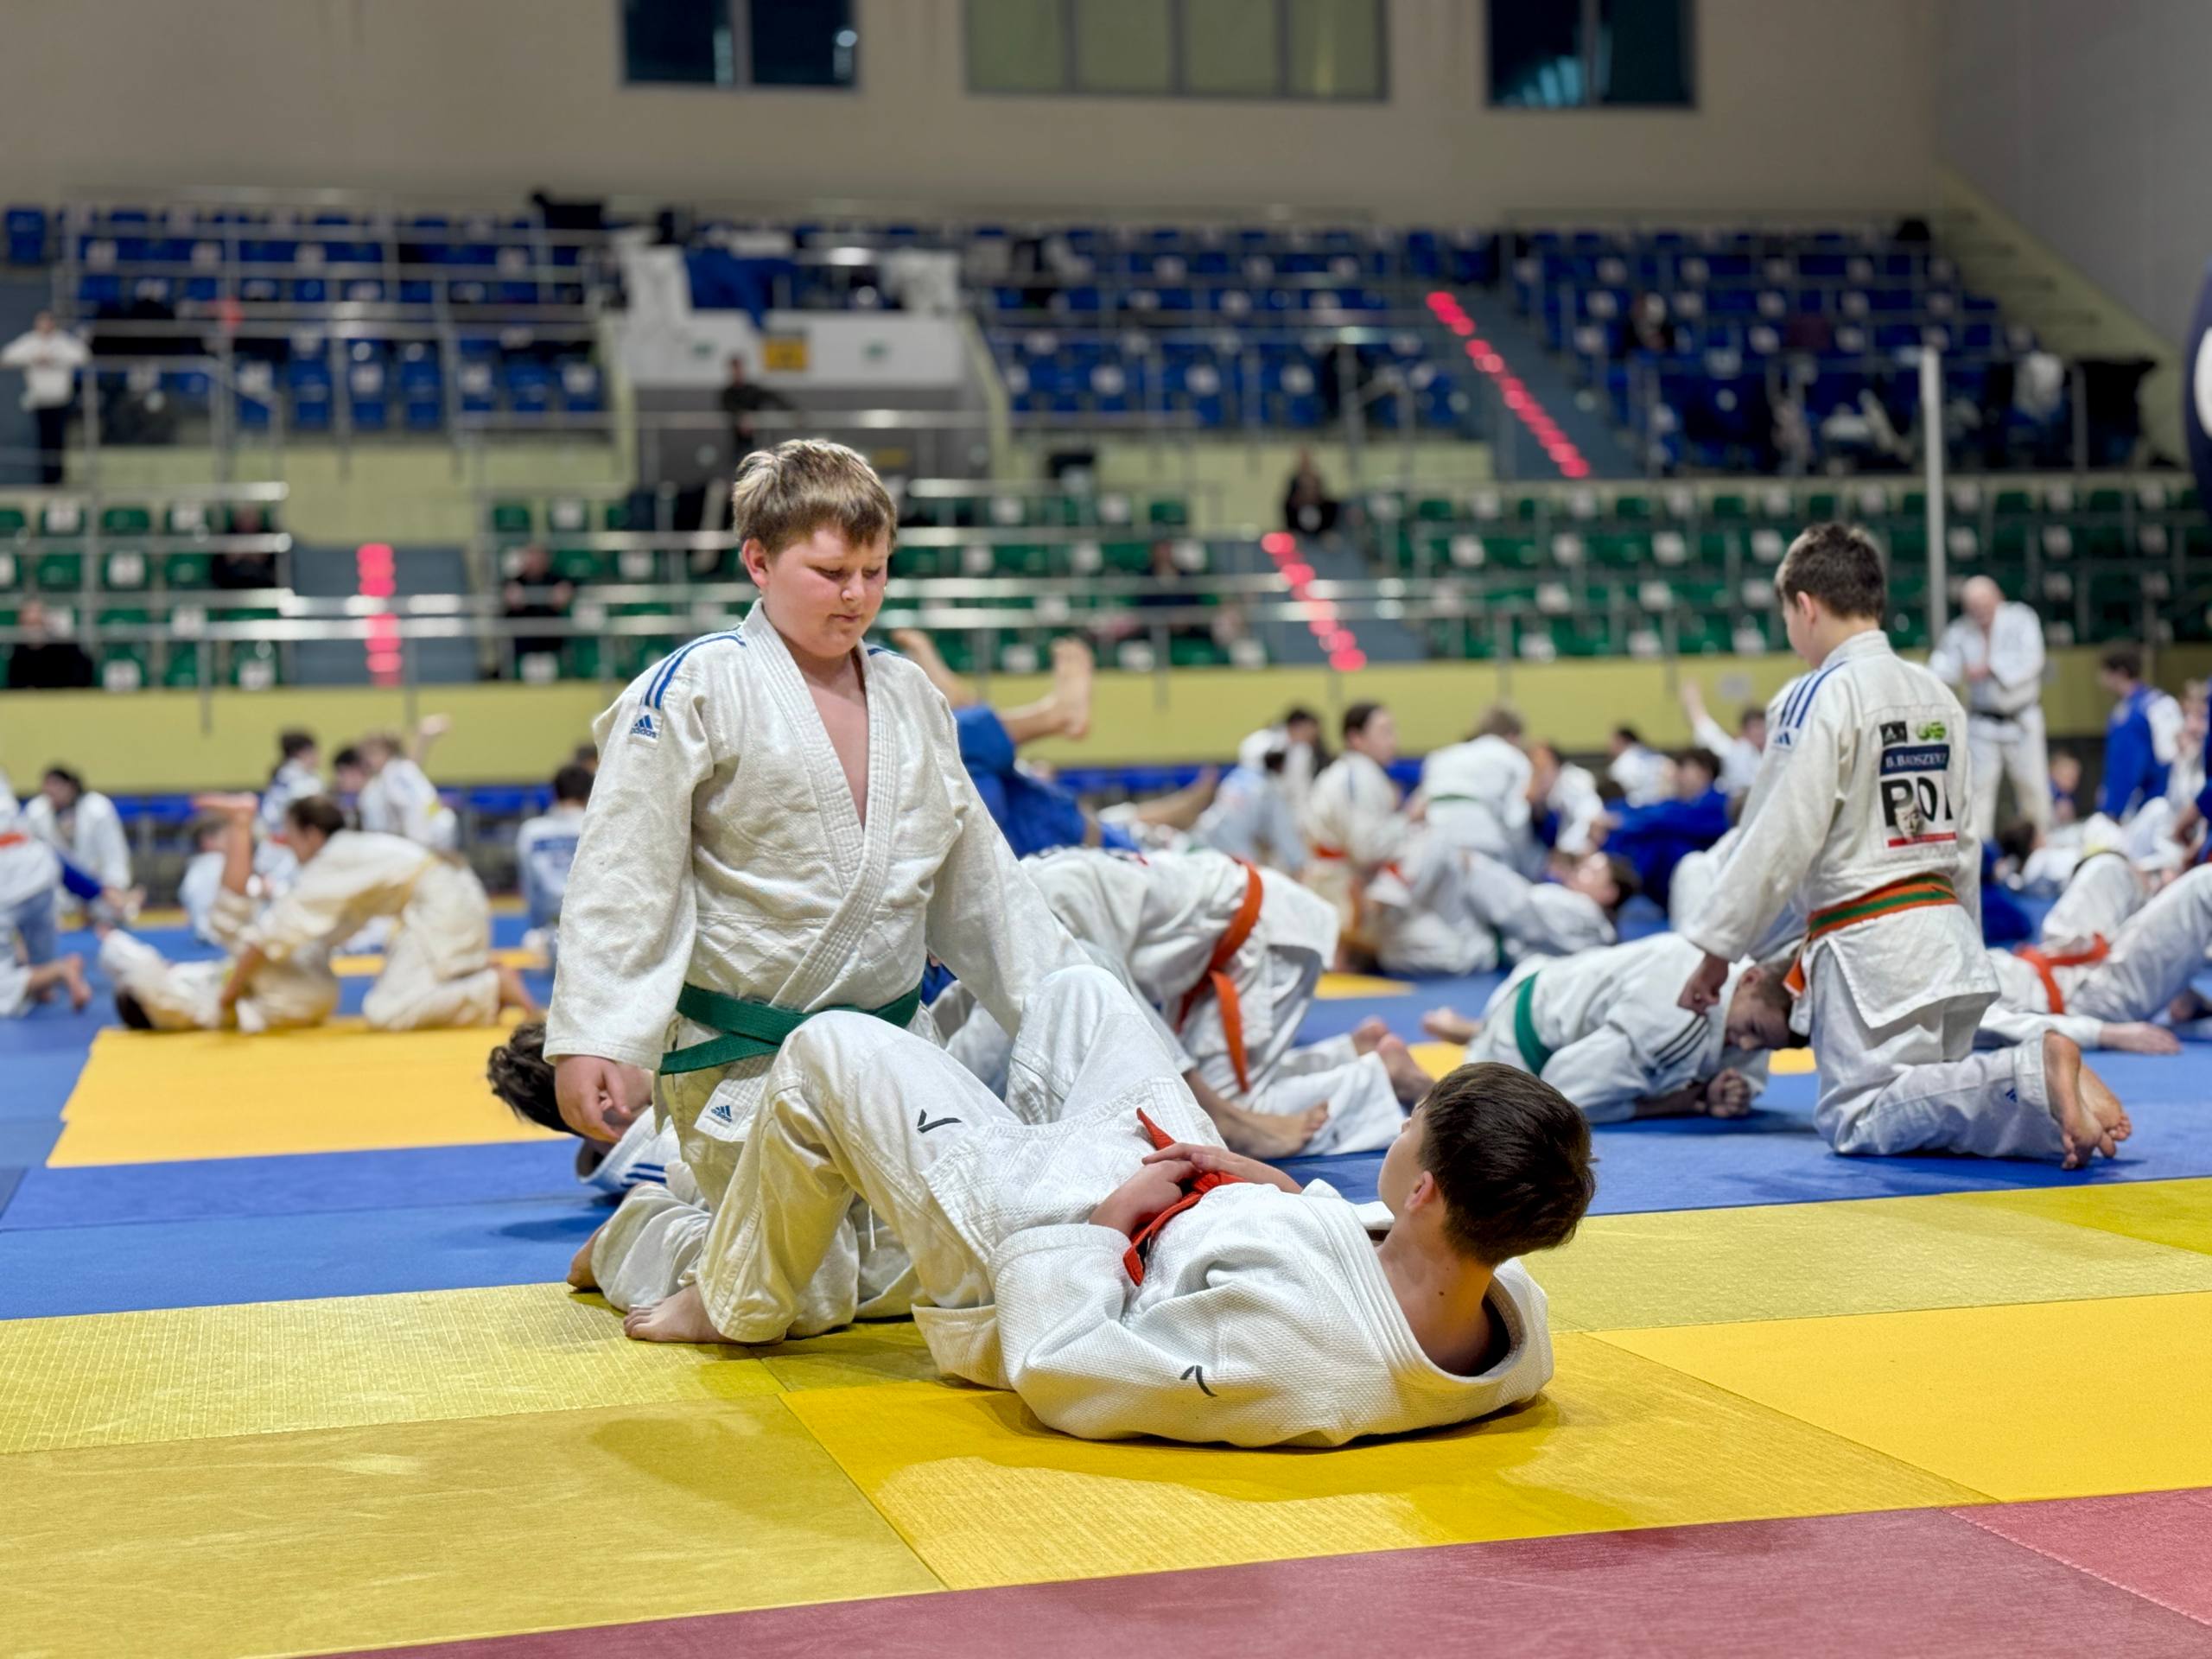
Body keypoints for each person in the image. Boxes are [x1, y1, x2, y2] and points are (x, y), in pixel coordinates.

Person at [542, 438, 1089, 1339]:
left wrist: (1068, 1019)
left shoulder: (912, 696)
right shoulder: (694, 687)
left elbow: (983, 887)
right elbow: (625, 872)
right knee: (802, 1298)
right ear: (758, 562)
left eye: (875, 571)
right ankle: (645, 1238)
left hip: (890, 1052)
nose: (856, 596)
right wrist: (597, 1034)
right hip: (743, 1057)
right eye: (831, 572)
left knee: (972, 1263)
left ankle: (702, 1228)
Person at [589, 963, 1590, 1450]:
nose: (1402, 1124)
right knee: (1083, 993)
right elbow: (1349, 1254)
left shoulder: (1289, 1361)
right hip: (1184, 1185)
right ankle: (960, 1161)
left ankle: (737, 1300)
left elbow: (1064, 1369)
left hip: (1059, 1233)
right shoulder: (1501, 1309)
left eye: (1414, 1122)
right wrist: (1263, 1180)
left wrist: (1107, 1222)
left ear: (1422, 1190)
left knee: (829, 1048)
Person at [1675, 523, 2128, 1170]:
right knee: (1927, 1099)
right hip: (1945, 935)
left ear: (1805, 606)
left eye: (1787, 618)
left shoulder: (1816, 693)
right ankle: (2045, 1108)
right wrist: (1970, 949)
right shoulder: (1937, 694)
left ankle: (2028, 1073)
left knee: (1856, 1112)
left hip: (1869, 945)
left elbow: (1778, 835)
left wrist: (1717, 953)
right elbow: (1965, 842)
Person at [933, 847, 1430, 1157]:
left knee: (1217, 1117)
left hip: (1262, 939)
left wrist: (1218, 1114)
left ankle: (1376, 1080)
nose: (934, 962)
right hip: (1229, 939)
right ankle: (1346, 1055)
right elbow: (974, 1003)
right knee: (1209, 1097)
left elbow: (1121, 1007)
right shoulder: (1015, 893)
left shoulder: (1044, 910)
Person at [225, 795, 534, 1031]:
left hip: (441, 904)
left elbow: (273, 933)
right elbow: (330, 929)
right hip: (451, 895)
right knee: (401, 994)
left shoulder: (331, 859)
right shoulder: (351, 849)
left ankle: (491, 986)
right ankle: (480, 982)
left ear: (312, 835)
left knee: (386, 1012)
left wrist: (229, 993)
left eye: (291, 838)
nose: (289, 847)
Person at [1425, 934, 1800, 1123]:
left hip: (1552, 984)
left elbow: (1746, 1077)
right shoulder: (1679, 1019)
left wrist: (1727, 1091)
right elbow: (1563, 1093)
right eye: (1752, 1029)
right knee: (1487, 1125)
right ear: (1751, 978)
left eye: (1765, 1044)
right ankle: (1421, 1072)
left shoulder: (1738, 985)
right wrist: (1685, 1101)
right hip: (1521, 1048)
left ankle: (1473, 1029)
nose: (1748, 1045)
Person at [100, 794, 340, 1034]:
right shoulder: (179, 1005)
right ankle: (240, 822)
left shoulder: (190, 1001)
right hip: (297, 990)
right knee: (230, 923)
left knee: (232, 924)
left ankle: (240, 822)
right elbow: (143, 975)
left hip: (300, 989)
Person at [1975, 865, 2212, 1054]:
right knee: (2205, 886)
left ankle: (2177, 987)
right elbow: (2001, 1026)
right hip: (2082, 1002)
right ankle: (2172, 978)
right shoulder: (1953, 1006)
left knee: (2110, 867)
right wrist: (2104, 1033)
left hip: (2053, 958)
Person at [1368, 839, 1632, 978]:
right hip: (1480, 938)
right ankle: (1384, 901)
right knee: (1441, 848)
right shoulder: (1595, 928)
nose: (1579, 872)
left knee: (1395, 945)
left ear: (1610, 893)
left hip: (1476, 948)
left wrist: (1478, 868)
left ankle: (1379, 907)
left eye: (1592, 872)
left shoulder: (1584, 911)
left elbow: (1519, 908)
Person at [1928, 575, 2050, 839]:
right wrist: (1948, 673)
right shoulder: (1960, 630)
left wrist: (1991, 668)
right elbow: (1941, 665)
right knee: (1977, 793)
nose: (1979, 610)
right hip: (1982, 722)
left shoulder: (2021, 619)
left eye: (1984, 602)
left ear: (1998, 597)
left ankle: (2039, 848)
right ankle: (1981, 854)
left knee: (2033, 789)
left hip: (2021, 718)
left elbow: (2033, 660)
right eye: (1972, 605)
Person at [1302, 702, 1407, 946]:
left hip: (1332, 883)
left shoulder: (1349, 771)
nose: (1393, 740)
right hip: (1341, 890)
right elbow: (1366, 850)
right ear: (1356, 738)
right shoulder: (1359, 776)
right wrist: (1407, 820)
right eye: (1384, 732)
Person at [1601, 747, 1731, 910]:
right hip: (1669, 878)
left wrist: (1623, 822)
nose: (1677, 775)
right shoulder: (1680, 802)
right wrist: (1615, 817)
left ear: (1704, 771)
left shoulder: (1719, 803)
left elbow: (1670, 821)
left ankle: (1613, 883)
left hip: (1697, 876)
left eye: (1683, 768)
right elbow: (1651, 812)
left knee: (1660, 841)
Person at [1421, 707, 1531, 863]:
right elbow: (1517, 817)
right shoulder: (1514, 758)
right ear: (1513, 735)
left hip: (1432, 840)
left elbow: (1420, 807)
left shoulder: (1442, 757)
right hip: (1480, 842)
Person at [26, 766, 131, 917]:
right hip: (57, 895)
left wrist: (115, 887)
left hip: (101, 889)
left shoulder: (98, 809)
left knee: (111, 914)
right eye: (47, 786)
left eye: (56, 785)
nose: (51, 791)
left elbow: (114, 853)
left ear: (71, 786)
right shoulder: (35, 813)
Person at [1193, 734, 1306, 872]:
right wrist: (1299, 864)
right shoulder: (1266, 789)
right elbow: (1284, 833)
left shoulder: (1234, 779)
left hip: (1205, 845)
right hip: (1237, 855)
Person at [516, 762, 592, 966]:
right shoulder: (595, 827)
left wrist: (535, 927)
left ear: (554, 794)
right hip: (590, 924)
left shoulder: (531, 831)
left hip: (548, 928)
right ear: (589, 793)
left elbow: (529, 885)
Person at [1, 311, 89, 485]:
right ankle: (46, 479)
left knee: (58, 441)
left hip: (60, 400)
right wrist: (33, 358)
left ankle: (58, 477)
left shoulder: (63, 341)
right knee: (44, 441)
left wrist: (55, 358)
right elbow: (7, 356)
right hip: (40, 401)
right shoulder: (30, 341)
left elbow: (83, 356)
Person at [2096, 647, 2182, 823]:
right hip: (2178, 799)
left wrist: (2112, 811)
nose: (2100, 679)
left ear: (2120, 673)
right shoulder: (2163, 700)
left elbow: (2125, 768)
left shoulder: (2128, 714)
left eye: (2105, 672)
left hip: (2148, 806)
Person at [357, 717, 458, 852]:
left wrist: (416, 846)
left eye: (373, 753)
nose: (369, 759)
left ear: (388, 752)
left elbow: (413, 810)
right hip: (430, 833)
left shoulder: (395, 774)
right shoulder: (394, 773)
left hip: (426, 837)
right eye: (366, 755)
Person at [1679, 681, 1766, 800]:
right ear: (1743, 732)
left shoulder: (1774, 753)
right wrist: (1693, 701)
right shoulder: (1737, 751)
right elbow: (1703, 725)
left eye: (1762, 729)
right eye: (1755, 728)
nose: (1759, 733)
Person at [500, 544, 576, 678]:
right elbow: (503, 610)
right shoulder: (514, 582)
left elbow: (576, 585)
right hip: (524, 645)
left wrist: (567, 589)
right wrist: (509, 596)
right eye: (531, 557)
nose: (535, 562)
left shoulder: (557, 579)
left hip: (552, 643)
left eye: (539, 557)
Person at [718, 354, 791, 472]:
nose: (737, 372)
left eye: (739, 368)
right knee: (740, 468)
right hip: (738, 441)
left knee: (758, 465)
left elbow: (774, 398)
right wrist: (741, 417)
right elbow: (727, 407)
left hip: (757, 439)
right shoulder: (728, 393)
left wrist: (793, 411)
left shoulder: (752, 390)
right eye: (735, 369)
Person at [4, 601, 95, 690]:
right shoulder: (18, 653)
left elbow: (84, 677)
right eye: (29, 624)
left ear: (46, 622)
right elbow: (14, 686)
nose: (34, 629)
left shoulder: (65, 646)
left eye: (37, 622)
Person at [1605, 726, 1671, 807]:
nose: (1609, 748)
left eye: (1612, 743)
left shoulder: (1621, 764)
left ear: (1621, 741)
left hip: (1638, 810)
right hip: (1665, 807)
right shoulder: (1656, 756)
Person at [1281, 448, 1340, 537]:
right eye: (1305, 488)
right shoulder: (1292, 504)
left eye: (1312, 487)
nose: (1309, 491)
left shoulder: (1327, 506)